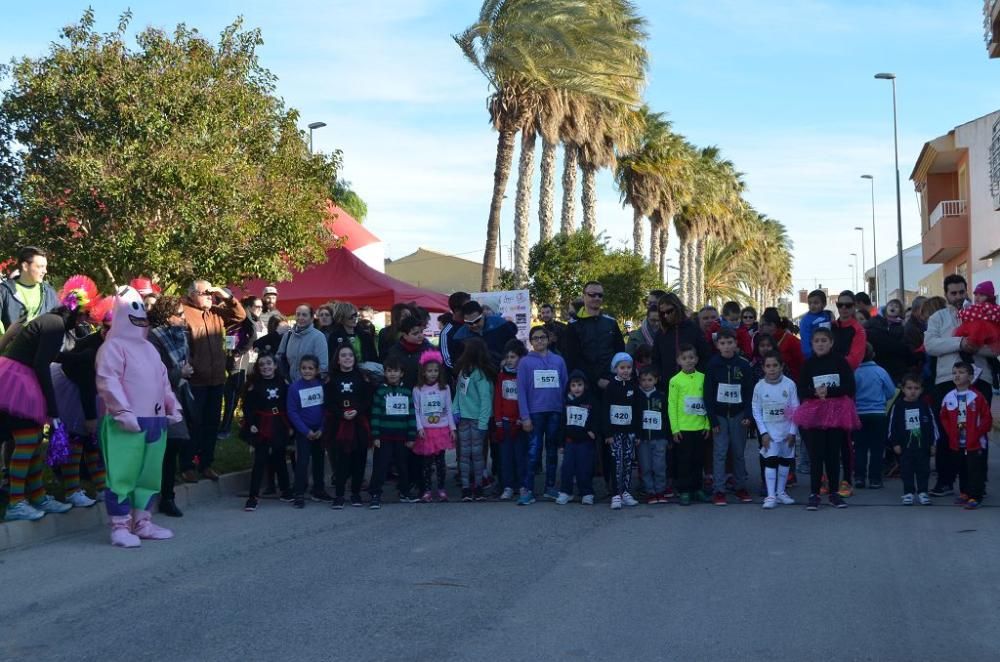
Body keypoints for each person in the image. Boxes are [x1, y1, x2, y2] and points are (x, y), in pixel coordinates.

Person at [0, 275, 97, 521]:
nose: (87, 320)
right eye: (85, 314)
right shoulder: (54, 325)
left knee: (30, 441)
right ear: (76, 311)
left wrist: (79, 357)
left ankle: (37, 495)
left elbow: (50, 356)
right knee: (27, 441)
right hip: (18, 383)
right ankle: (16, 503)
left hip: (19, 379)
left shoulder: (53, 322)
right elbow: (42, 365)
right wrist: (52, 407)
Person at [97, 285, 184, 548]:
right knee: (122, 475)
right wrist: (122, 411)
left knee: (149, 476)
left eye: (141, 307)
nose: (139, 313)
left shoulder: (149, 349)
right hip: (126, 423)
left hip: (156, 422)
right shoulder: (113, 347)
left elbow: (163, 381)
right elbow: (107, 380)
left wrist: (173, 406)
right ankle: (120, 526)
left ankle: (142, 521)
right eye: (132, 307)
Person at [924, 274, 996, 498]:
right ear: (946, 294)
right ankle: (945, 480)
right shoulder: (938, 317)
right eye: (953, 293)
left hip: (979, 380)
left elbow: (994, 347)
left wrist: (974, 347)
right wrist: (959, 343)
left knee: (977, 432)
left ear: (967, 291)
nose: (957, 296)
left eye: (961, 292)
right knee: (947, 433)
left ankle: (975, 484)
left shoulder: (983, 313)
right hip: (946, 380)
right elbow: (930, 345)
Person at [181, 279, 246, 481]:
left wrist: (224, 294)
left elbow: (240, 315)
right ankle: (187, 465)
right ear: (192, 294)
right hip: (195, 381)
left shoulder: (216, 312)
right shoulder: (183, 312)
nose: (210, 297)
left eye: (211, 294)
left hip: (216, 379)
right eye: (205, 293)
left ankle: (206, 463)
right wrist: (189, 365)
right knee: (193, 424)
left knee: (211, 424)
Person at [792, 327, 859, 511]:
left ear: (831, 343)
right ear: (812, 344)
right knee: (816, 454)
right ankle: (814, 493)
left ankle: (834, 493)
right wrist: (815, 392)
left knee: (832, 453)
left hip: (836, 413)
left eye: (824, 340)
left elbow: (850, 386)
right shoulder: (808, 364)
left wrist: (829, 391)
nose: (820, 344)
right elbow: (801, 390)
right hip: (815, 413)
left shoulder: (840, 362)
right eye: (817, 341)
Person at [147, 295, 195, 518]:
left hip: (180, 394)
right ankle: (165, 496)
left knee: (173, 446)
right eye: (180, 314)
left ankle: (166, 492)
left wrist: (187, 371)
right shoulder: (152, 338)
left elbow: (186, 359)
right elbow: (156, 373)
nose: (184, 319)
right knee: (170, 444)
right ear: (167, 316)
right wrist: (180, 373)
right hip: (160, 398)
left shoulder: (180, 335)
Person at [516, 325, 569, 504]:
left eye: (543, 337)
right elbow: (521, 391)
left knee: (553, 452)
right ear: (531, 342)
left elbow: (565, 386)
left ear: (548, 339)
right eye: (536, 338)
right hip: (534, 413)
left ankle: (550, 487)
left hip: (555, 411)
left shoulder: (559, 361)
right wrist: (525, 417)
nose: (539, 341)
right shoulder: (525, 362)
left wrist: (564, 411)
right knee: (533, 452)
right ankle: (528, 489)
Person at [704, 329, 754, 505]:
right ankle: (719, 489)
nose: (726, 346)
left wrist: (748, 414)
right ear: (718, 345)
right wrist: (713, 420)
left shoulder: (743, 365)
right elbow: (708, 394)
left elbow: (749, 392)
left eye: (730, 342)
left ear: (736, 344)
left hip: (738, 414)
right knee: (720, 452)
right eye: (723, 343)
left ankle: (740, 486)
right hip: (719, 416)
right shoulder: (712, 365)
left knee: (738, 452)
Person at [242, 354, 293, 511]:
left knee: (279, 456)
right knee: (260, 460)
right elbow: (248, 407)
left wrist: (290, 425)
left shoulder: (283, 383)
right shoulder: (254, 385)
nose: (266, 367)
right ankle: (253, 496)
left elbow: (289, 404)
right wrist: (251, 424)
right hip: (261, 424)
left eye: (269, 363)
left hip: (279, 423)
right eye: (262, 364)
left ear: (275, 366)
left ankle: (285, 490)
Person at [939, 362, 992, 509]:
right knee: (962, 468)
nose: (957, 375)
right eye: (954, 372)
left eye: (961, 372)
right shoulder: (949, 397)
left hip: (974, 442)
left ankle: (976, 496)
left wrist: (977, 433)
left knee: (975, 469)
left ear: (970, 376)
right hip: (958, 442)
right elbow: (943, 417)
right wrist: (950, 432)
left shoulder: (977, 396)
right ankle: (964, 492)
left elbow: (987, 418)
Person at [369, 355, 418, 509]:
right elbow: (375, 414)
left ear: (401, 373)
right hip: (384, 437)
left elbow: (411, 415)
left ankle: (404, 492)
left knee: (403, 466)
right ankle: (375, 494)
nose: (392, 374)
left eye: (395, 371)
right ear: (385, 373)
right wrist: (375, 435)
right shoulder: (380, 392)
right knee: (380, 466)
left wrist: (411, 436)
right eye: (389, 371)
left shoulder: (407, 392)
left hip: (402, 437)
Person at [752, 351, 799, 509]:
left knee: (785, 461)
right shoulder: (759, 386)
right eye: (768, 366)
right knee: (770, 461)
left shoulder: (790, 384)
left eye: (775, 365)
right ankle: (771, 495)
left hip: (786, 431)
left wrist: (793, 432)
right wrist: (763, 433)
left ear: (781, 366)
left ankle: (781, 492)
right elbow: (756, 410)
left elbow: (795, 409)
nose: (771, 369)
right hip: (770, 433)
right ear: (763, 368)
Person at [328, 345, 372, 509]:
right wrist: (341, 413)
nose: (347, 358)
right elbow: (329, 402)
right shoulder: (332, 379)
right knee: (341, 461)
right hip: (339, 425)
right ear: (338, 359)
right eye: (343, 355)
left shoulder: (362, 377)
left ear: (354, 358)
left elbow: (368, 399)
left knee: (359, 460)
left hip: (358, 423)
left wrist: (357, 410)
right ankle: (339, 495)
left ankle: (355, 493)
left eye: (350, 355)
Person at [668, 344, 711, 506]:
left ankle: (697, 488)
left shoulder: (703, 377)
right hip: (683, 428)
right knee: (684, 461)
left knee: (698, 460)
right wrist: (675, 428)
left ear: (697, 359)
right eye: (684, 358)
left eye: (691, 357)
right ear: (679, 361)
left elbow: (707, 402)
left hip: (700, 427)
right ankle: (684, 490)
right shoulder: (675, 381)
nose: (688, 361)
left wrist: (707, 424)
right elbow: (671, 405)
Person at [452, 338, 494, 501]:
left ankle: (478, 486)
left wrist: (483, 422)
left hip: (477, 421)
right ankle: (465, 487)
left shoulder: (481, 375)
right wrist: (455, 410)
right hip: (463, 419)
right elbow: (458, 394)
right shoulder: (464, 371)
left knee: (476, 455)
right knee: (464, 454)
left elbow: (485, 400)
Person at [887, 373, 938, 506]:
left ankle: (923, 492)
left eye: (916, 388)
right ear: (903, 389)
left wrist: (933, 443)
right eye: (909, 388)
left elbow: (933, 425)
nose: (913, 391)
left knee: (923, 470)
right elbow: (892, 425)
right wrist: (895, 442)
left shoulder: (925, 405)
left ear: (921, 390)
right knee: (906, 470)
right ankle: (908, 493)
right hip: (905, 446)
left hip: (923, 446)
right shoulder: (898, 406)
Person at [412, 350, 455, 502]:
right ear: (423, 372)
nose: (433, 374)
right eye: (429, 370)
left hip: (441, 430)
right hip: (426, 431)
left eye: (436, 370)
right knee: (426, 464)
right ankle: (427, 490)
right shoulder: (417, 390)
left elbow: (449, 409)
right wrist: (419, 428)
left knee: (440, 463)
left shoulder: (445, 388)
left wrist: (452, 428)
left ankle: (442, 489)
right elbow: (416, 411)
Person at [853, 344, 896, 490]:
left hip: (859, 413)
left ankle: (859, 477)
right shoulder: (880, 371)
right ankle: (875, 479)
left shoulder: (855, 372)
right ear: (874, 354)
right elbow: (891, 391)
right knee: (877, 448)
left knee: (860, 448)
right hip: (878, 413)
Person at [219, 296, 263, 438]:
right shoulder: (239, 314)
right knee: (233, 393)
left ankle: (226, 428)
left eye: (261, 307)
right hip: (233, 355)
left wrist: (240, 351)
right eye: (257, 306)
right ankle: (231, 426)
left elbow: (253, 336)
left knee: (233, 393)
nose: (260, 310)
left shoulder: (248, 316)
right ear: (249, 306)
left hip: (240, 358)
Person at [603, 352, 641, 510]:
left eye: (628, 368)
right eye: (622, 367)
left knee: (627, 462)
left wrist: (638, 433)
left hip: (630, 432)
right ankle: (615, 494)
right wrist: (608, 433)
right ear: (615, 369)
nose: (625, 371)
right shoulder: (611, 386)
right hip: (615, 432)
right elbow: (605, 410)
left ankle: (625, 491)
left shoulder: (634, 386)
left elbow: (638, 411)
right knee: (616, 462)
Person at [556, 370, 599, 505]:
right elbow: (562, 424)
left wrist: (593, 431)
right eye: (573, 385)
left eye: (579, 385)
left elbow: (596, 418)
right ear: (569, 387)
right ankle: (566, 492)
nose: (577, 388)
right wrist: (561, 444)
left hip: (585, 442)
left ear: (584, 385)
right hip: (569, 442)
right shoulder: (566, 402)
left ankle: (586, 492)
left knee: (584, 468)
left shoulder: (591, 401)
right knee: (567, 468)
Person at [652, 293, 710, 387]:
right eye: (662, 313)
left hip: (692, 384)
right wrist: (660, 377)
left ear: (677, 308)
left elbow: (705, 356)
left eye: (669, 311)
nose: (666, 315)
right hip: (668, 386)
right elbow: (655, 359)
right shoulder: (661, 333)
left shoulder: (693, 329)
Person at [494, 340, 526, 501]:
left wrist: (523, 418)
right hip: (505, 422)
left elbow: (526, 399)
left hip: (519, 423)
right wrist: (498, 421)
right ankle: (508, 485)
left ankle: (522, 485)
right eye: (507, 357)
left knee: (520, 456)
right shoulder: (501, 376)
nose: (509, 360)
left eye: (513, 357)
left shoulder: (523, 375)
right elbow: (498, 399)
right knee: (505, 457)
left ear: (520, 357)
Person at [0, 246, 58, 332]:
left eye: (45, 267)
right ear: (25, 266)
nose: (45, 271)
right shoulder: (4, 291)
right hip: (12, 345)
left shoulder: (49, 293)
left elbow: (59, 323)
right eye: (40, 267)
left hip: (44, 345)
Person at [636, 366, 669, 504]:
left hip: (659, 438)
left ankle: (660, 491)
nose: (646, 383)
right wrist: (637, 435)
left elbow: (667, 418)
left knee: (659, 466)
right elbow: (635, 418)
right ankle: (650, 491)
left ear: (656, 380)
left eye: (650, 380)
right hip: (642, 439)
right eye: (643, 380)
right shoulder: (637, 397)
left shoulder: (661, 397)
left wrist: (668, 437)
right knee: (646, 467)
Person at [454, 300, 518, 368]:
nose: (474, 325)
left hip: (503, 369)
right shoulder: (459, 336)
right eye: (469, 323)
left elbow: (514, 346)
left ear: (483, 314)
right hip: (477, 374)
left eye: (477, 320)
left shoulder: (499, 324)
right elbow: (458, 360)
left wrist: (507, 360)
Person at [276, 304, 328, 383]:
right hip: (290, 385)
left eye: (304, 315)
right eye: (298, 314)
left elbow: (323, 366)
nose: (300, 318)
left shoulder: (319, 337)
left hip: (310, 386)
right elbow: (279, 358)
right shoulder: (288, 336)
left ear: (311, 318)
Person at [383, 316, 431, 388]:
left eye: (421, 332)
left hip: (423, 392)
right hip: (402, 392)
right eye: (415, 334)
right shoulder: (394, 351)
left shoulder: (429, 349)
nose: (420, 336)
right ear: (405, 335)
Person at [759, 308, 804, 381]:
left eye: (762, 326)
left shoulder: (792, 341)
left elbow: (802, 365)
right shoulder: (766, 340)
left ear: (772, 325)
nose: (759, 329)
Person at [328, 301, 378, 365]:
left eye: (355, 315)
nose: (354, 319)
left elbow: (374, 358)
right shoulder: (334, 337)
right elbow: (332, 359)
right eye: (350, 317)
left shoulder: (365, 335)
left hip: (366, 372)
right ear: (341, 318)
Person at [831, 290, 867, 370]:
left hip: (846, 374)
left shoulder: (858, 330)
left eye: (848, 305)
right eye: (840, 305)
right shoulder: (830, 325)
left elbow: (854, 360)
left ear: (854, 306)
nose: (843, 308)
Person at [439, 292, 471, 374]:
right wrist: (460, 373)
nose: (470, 307)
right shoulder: (446, 332)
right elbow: (446, 360)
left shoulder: (473, 324)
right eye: (467, 305)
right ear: (457, 310)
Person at [800, 290, 833, 360]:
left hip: (830, 355)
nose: (812, 305)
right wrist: (809, 356)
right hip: (814, 356)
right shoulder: (805, 320)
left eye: (816, 303)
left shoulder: (828, 315)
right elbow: (805, 340)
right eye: (810, 303)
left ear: (824, 304)